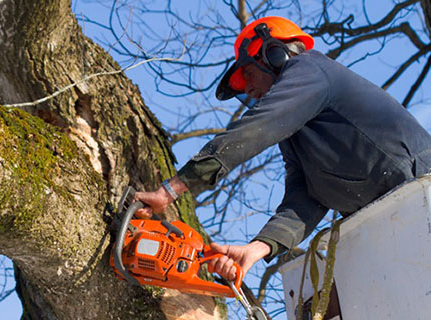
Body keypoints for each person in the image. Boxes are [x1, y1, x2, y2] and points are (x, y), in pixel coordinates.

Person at [134, 16, 431, 281]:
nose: (247, 89)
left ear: (274, 54)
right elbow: (305, 198)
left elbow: (255, 129)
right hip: (390, 220)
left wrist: (171, 189)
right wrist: (257, 248)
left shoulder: (311, 70)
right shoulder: (297, 134)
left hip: (420, 190)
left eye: (248, 74)